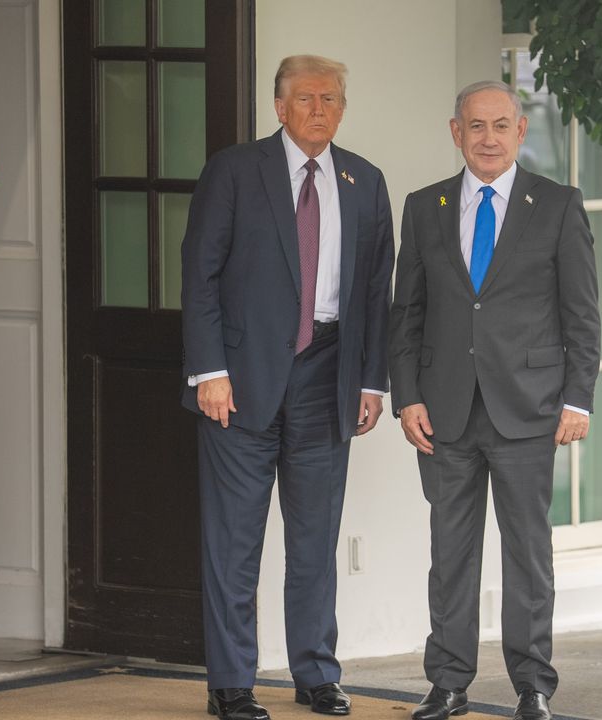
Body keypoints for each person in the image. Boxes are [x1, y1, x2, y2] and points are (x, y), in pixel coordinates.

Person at [181, 55, 394, 720]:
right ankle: (231, 684)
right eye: (305, 98)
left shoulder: (365, 181)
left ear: (342, 109)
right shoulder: (234, 171)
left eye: (330, 98)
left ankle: (316, 673)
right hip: (239, 382)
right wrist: (209, 371)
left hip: (328, 378)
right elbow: (199, 273)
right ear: (279, 107)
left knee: (314, 542)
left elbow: (375, 292)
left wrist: (371, 379)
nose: (319, 109)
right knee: (234, 541)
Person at [388, 80, 601, 720]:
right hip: (443, 411)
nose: (488, 138)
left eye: (500, 125)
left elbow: (582, 313)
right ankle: (449, 683)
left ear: (520, 132)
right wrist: (407, 396)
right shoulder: (425, 205)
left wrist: (579, 398)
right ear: (456, 132)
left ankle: (533, 687)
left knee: (527, 556)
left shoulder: (558, 205)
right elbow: (407, 312)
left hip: (529, 409)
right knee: (450, 555)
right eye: (475, 126)